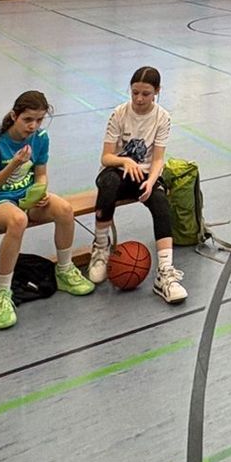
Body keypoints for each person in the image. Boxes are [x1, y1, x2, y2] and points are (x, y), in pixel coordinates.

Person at [0, 91, 96, 328]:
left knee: (64, 209)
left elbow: (40, 174)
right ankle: (2, 292)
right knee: (18, 220)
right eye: (28, 119)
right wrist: (14, 164)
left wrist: (40, 191)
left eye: (39, 120)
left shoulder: (40, 138)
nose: (33, 126)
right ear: (14, 116)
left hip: (26, 197)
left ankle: (64, 270)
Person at [89, 66, 186, 301]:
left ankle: (165, 273)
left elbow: (158, 159)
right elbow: (106, 157)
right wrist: (124, 161)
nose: (139, 99)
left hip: (144, 175)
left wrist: (151, 182)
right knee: (108, 185)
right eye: (135, 93)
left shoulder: (162, 117)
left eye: (146, 94)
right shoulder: (119, 114)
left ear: (157, 91)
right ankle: (101, 248)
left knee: (160, 201)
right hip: (117, 171)